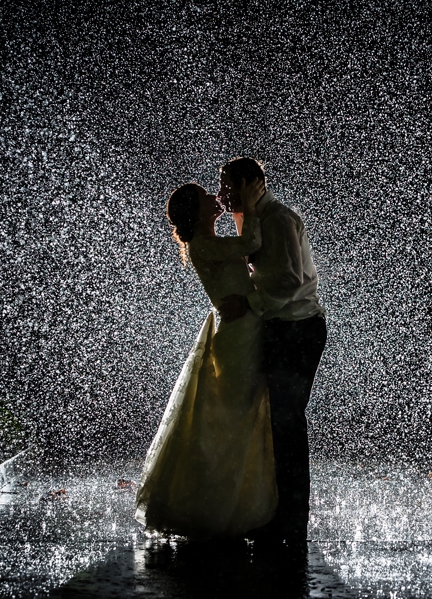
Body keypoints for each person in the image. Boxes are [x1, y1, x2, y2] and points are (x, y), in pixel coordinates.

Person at [134, 178, 277, 539]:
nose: (214, 198)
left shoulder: (210, 243)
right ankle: (221, 507)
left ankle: (239, 504)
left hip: (241, 328)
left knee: (240, 418)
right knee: (234, 418)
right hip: (237, 335)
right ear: (196, 214)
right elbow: (252, 243)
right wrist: (250, 201)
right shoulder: (203, 245)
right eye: (204, 198)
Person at [216, 157, 327, 546]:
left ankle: (293, 521)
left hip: (297, 329)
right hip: (285, 328)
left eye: (227, 185)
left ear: (250, 183)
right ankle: (284, 515)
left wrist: (250, 303)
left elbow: (290, 279)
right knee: (281, 424)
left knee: (288, 425)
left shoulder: (278, 219)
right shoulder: (257, 218)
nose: (221, 194)